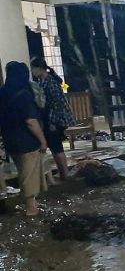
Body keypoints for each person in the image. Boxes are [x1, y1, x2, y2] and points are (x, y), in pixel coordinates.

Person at [0, 61, 48, 216]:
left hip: (10, 139)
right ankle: (31, 208)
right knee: (29, 175)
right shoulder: (24, 93)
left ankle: (31, 203)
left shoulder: (3, 92)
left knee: (22, 171)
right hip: (26, 140)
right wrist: (42, 140)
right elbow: (31, 121)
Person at [30, 57, 73, 180]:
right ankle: (62, 172)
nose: (32, 72)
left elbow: (57, 104)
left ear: (39, 68)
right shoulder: (42, 82)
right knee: (54, 147)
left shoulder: (50, 82)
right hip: (49, 120)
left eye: (33, 69)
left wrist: (53, 122)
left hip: (54, 119)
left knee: (56, 147)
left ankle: (65, 173)